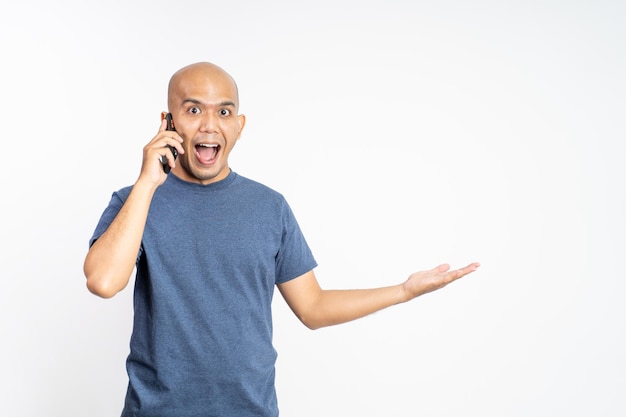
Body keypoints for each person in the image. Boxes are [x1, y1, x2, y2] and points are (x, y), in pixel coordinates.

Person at [84, 61, 480, 417]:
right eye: (192, 110)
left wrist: (404, 291)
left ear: (239, 125)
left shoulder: (269, 208)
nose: (209, 125)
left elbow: (313, 307)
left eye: (223, 111)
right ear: (167, 122)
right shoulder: (135, 200)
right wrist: (148, 182)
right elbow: (103, 282)